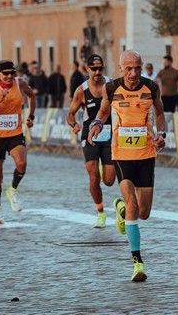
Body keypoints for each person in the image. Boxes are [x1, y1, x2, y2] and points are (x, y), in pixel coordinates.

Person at [88, 50, 166, 283]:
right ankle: (137, 263)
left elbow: (160, 113)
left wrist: (161, 133)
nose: (133, 73)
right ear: (121, 68)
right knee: (133, 205)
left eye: (137, 68)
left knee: (143, 213)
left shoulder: (151, 87)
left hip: (146, 154)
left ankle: (120, 208)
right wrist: (97, 123)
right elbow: (103, 110)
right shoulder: (111, 88)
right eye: (129, 69)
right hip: (121, 154)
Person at [0, 60, 36, 224]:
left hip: (15, 133)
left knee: (22, 163)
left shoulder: (21, 83)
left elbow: (32, 96)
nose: (10, 76)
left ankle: (13, 190)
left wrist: (31, 116)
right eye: (6, 73)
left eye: (13, 73)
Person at [66, 54, 116, 228]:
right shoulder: (81, 90)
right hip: (90, 135)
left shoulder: (112, 85)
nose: (97, 72)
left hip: (109, 133)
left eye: (100, 68)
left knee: (109, 181)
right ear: (87, 69)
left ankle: (105, 168)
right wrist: (75, 125)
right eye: (93, 69)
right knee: (94, 177)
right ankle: (101, 213)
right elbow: (70, 114)